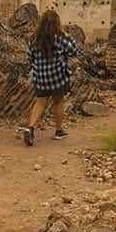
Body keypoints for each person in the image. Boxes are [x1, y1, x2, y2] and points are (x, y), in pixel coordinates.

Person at [22, 9, 78, 145]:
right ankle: (58, 131)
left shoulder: (34, 39)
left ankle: (30, 127)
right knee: (58, 102)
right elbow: (74, 51)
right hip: (58, 76)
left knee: (40, 102)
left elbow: (30, 57)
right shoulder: (62, 37)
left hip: (40, 77)